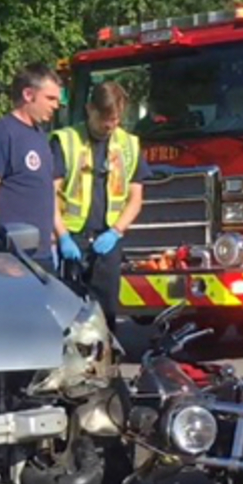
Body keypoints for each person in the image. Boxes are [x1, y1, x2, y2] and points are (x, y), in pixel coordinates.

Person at [49, 80, 150, 329]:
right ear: (89, 109)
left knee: (106, 315)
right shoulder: (66, 141)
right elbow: (49, 194)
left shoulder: (128, 145)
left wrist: (116, 232)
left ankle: (107, 365)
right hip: (72, 239)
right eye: (104, 119)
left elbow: (135, 198)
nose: (110, 126)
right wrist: (61, 236)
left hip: (107, 241)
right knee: (69, 316)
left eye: (115, 120)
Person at [0, 63, 64, 268]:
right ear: (28, 94)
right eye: (50, 98)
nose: (56, 106)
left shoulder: (41, 137)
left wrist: (58, 235)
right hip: (11, 257)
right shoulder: (2, 133)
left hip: (42, 254)